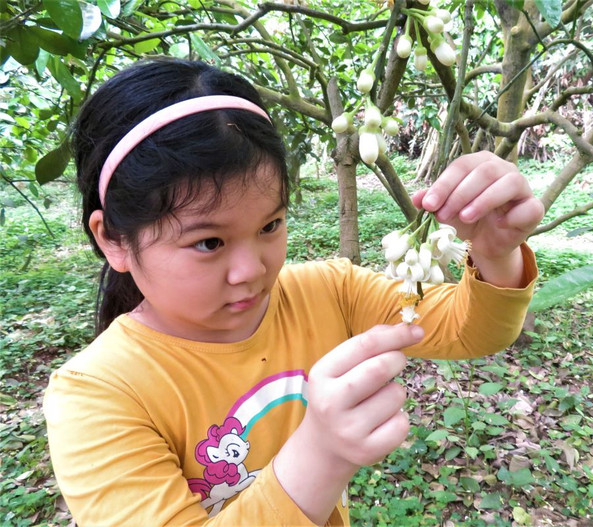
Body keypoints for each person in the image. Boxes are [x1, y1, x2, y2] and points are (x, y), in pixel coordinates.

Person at [43, 58, 543, 526]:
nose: (251, 271)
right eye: (208, 241)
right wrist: (321, 455)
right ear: (113, 239)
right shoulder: (97, 395)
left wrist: (497, 252)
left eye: (271, 225)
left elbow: (467, 332)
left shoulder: (330, 291)